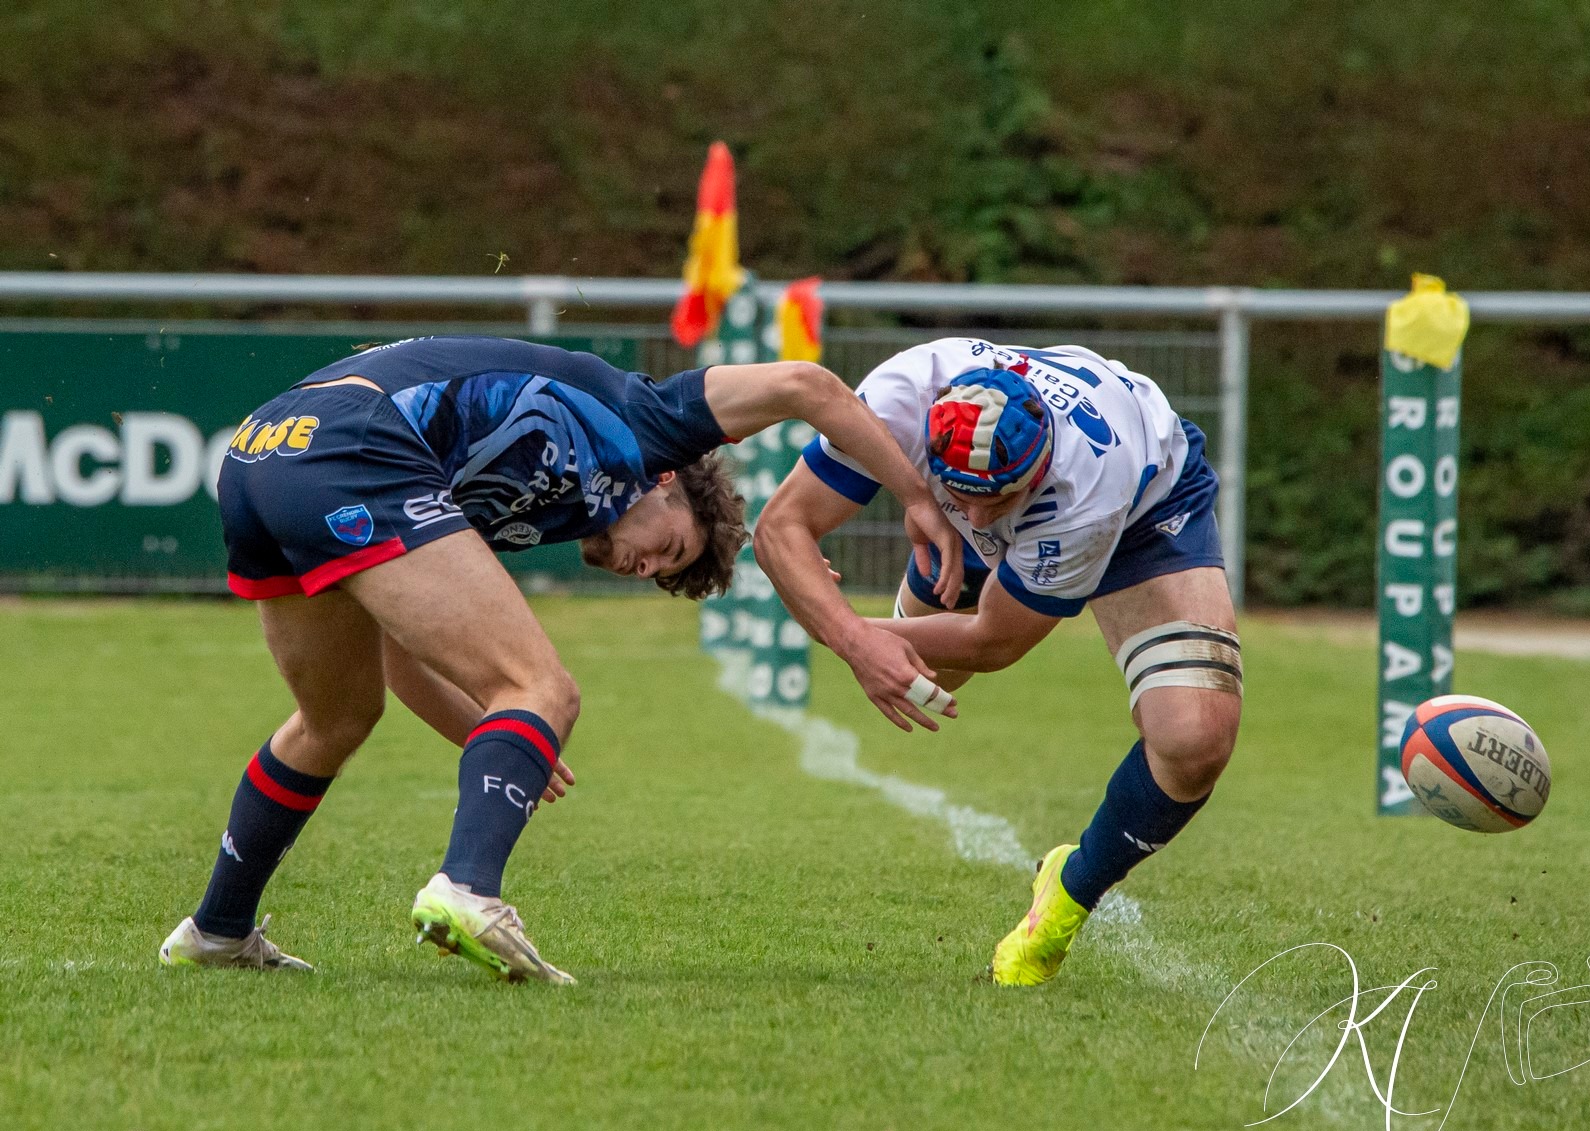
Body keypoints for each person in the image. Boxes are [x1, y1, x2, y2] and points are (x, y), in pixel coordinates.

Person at [159, 335, 962, 983]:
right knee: (545, 687)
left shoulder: (529, 512)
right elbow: (809, 386)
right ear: (670, 482)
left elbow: (403, 655)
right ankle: (468, 890)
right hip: (347, 442)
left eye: (657, 577)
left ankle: (218, 930)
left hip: (264, 450)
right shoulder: (650, 422)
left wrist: (503, 739)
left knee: (336, 717)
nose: (644, 567)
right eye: (669, 548)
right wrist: (916, 497)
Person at [754, 337, 1242, 986]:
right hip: (998, 503)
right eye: (963, 495)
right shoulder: (902, 394)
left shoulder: (1084, 487)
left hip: (1144, 512)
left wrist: (847, 632)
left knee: (1195, 738)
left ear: (1036, 469)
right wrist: (913, 513)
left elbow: (994, 641)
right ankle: (938, 562)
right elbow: (779, 526)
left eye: (996, 501)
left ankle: (1068, 893)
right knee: (930, 673)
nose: (979, 516)